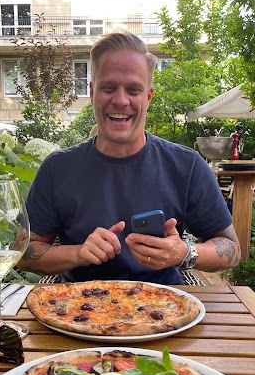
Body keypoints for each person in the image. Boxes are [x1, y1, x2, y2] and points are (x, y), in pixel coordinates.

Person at [18, 32, 241, 285]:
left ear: (148, 96)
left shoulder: (186, 166)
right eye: (108, 88)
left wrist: (184, 252)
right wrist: (78, 253)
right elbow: (23, 253)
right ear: (92, 92)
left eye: (133, 90)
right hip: (79, 303)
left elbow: (232, 250)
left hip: (165, 302)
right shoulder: (57, 169)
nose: (121, 100)